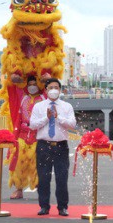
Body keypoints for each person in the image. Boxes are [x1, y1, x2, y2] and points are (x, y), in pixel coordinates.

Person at [30, 78, 76, 216]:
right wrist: (46, 117)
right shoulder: (39, 106)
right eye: (51, 87)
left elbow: (72, 124)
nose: (54, 90)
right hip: (44, 145)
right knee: (43, 178)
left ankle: (62, 207)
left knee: (62, 178)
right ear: (46, 90)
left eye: (56, 87)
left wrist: (58, 117)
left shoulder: (66, 106)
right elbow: (32, 125)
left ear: (60, 90)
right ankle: (44, 206)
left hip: (61, 146)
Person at [9, 75, 44, 199]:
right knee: (19, 162)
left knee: (37, 163)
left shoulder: (43, 98)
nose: (32, 87)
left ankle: (41, 190)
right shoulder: (23, 98)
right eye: (30, 84)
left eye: (34, 84)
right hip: (23, 135)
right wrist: (15, 135)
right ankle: (18, 189)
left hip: (37, 135)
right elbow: (18, 118)